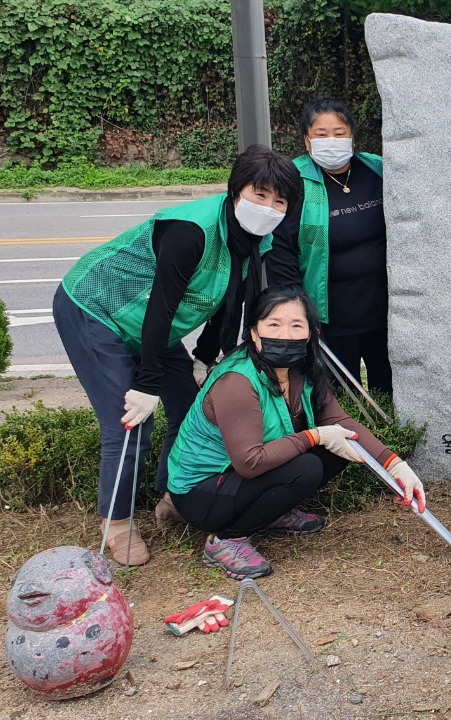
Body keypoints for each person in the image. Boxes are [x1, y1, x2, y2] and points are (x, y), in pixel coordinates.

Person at [54, 145, 301, 566]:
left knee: (190, 408)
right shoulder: (191, 231)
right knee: (131, 421)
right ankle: (116, 523)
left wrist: (206, 355)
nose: (269, 208)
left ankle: (172, 495)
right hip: (96, 311)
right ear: (235, 190)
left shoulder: (254, 238)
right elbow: (162, 306)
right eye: (260, 195)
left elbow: (231, 300)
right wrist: (147, 381)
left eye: (280, 201)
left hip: (155, 328)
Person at [166, 285, 426, 580]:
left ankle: (272, 512)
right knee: (307, 464)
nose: (284, 335)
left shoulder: (302, 371)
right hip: (202, 491)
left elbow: (341, 422)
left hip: (240, 478)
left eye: (295, 326)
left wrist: (395, 464)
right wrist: (314, 436)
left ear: (311, 333)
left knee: (341, 446)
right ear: (253, 332)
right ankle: (226, 541)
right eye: (273, 325)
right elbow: (250, 463)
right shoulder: (237, 382)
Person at [269, 99, 392, 396]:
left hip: (386, 312)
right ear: (307, 141)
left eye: (339, 133)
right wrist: (298, 312)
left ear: (352, 137)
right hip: (331, 318)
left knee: (389, 393)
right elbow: (281, 251)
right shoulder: (293, 181)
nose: (331, 141)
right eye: (321, 134)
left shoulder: (378, 170)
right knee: (340, 398)